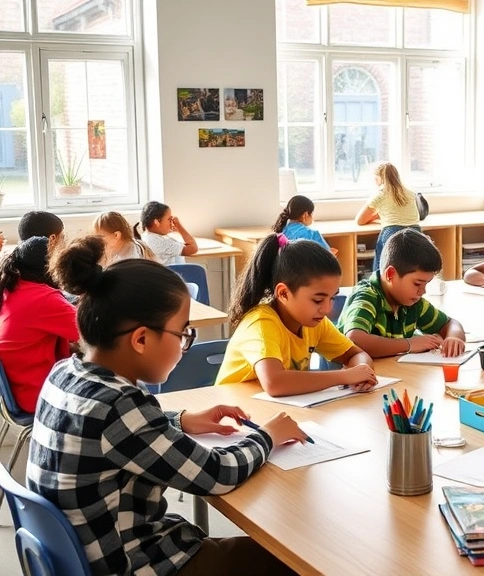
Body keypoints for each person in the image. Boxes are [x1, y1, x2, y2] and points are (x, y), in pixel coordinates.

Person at [27, 235, 306, 576]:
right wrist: (268, 435)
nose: (185, 343)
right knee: (294, 558)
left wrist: (181, 420)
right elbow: (218, 474)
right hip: (138, 565)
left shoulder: (66, 374)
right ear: (141, 339)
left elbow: (114, 436)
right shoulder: (119, 406)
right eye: (183, 333)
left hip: (89, 557)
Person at [216, 234, 376, 397]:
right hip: (232, 413)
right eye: (318, 300)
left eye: (332, 298)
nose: (327, 309)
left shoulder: (314, 322)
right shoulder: (261, 323)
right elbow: (274, 383)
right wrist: (345, 376)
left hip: (273, 411)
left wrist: (361, 372)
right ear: (284, 293)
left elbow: (357, 354)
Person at [341, 229, 466, 358]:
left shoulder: (412, 303)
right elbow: (354, 340)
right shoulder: (367, 297)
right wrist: (409, 344)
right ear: (391, 275)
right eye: (417, 284)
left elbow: (451, 324)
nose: (423, 291)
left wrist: (454, 338)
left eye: (426, 284)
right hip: (349, 375)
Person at [0, 237, 78, 412]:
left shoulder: (10, 286)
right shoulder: (44, 299)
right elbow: (91, 332)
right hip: (39, 394)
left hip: (16, 391)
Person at [355, 162, 421, 271]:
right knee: (411, 268)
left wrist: (375, 218)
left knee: (383, 268)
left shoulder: (381, 194)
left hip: (392, 232)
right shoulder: (410, 193)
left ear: (379, 178)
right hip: (415, 232)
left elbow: (360, 220)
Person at [135, 201, 199, 265]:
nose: (172, 222)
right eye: (169, 219)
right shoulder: (160, 243)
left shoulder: (146, 236)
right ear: (157, 222)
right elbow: (193, 248)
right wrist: (179, 226)